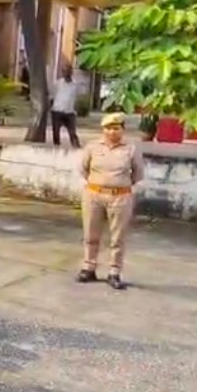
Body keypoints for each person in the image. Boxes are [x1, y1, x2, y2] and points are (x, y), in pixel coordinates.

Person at [77, 112, 145, 290]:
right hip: (94, 195)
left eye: (116, 128)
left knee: (117, 237)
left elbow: (138, 174)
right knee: (90, 234)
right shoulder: (92, 147)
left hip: (120, 197)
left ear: (122, 129)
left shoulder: (131, 149)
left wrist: (119, 185)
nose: (112, 132)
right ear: (103, 130)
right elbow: (83, 169)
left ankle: (114, 272)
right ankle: (89, 267)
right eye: (108, 128)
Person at [51, 63, 82, 148]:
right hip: (57, 111)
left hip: (69, 112)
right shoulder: (57, 84)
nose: (66, 73)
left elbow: (77, 97)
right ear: (62, 72)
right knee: (56, 132)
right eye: (64, 71)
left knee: (72, 132)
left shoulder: (75, 85)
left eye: (68, 71)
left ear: (71, 72)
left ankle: (77, 148)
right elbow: (52, 95)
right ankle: (56, 148)